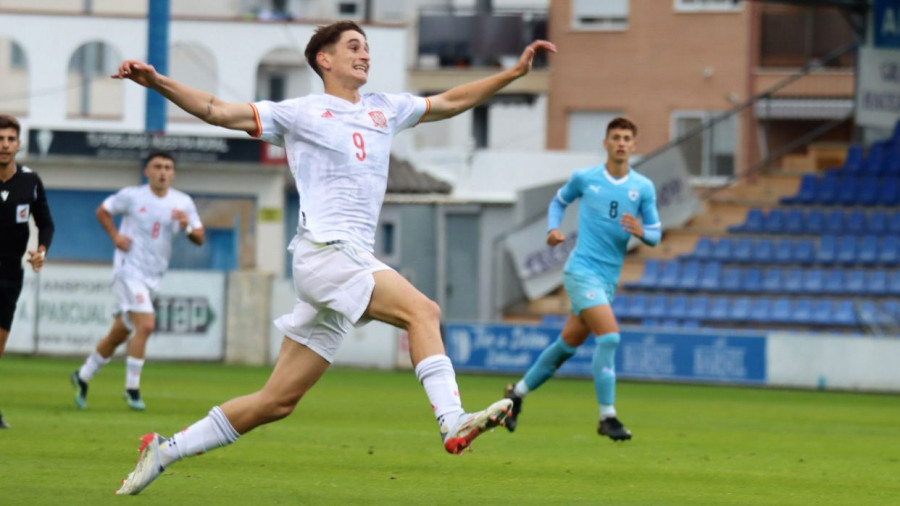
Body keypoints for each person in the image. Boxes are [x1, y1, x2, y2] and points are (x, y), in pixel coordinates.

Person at [109, 21, 555, 495]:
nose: (365, 55)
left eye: (367, 48)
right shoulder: (301, 113)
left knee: (276, 402)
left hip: (348, 262)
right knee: (423, 312)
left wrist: (512, 74)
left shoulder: (386, 108)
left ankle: (164, 449)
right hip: (324, 254)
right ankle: (452, 421)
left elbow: (450, 101)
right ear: (324, 59)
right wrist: (157, 82)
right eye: (354, 47)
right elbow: (218, 110)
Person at [503, 117, 661, 441]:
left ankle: (515, 395)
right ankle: (608, 416)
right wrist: (553, 229)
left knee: (566, 346)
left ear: (634, 145)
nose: (620, 142)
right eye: (615, 137)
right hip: (581, 271)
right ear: (605, 143)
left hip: (606, 280)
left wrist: (643, 232)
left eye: (626, 138)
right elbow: (559, 201)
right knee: (610, 338)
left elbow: (656, 234)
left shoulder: (642, 187)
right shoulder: (586, 178)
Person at [70, 151, 205, 411]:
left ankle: (83, 376)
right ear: (148, 171)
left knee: (120, 333)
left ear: (173, 173)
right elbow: (103, 211)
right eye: (157, 167)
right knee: (147, 325)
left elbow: (199, 238)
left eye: (167, 167)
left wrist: (187, 226)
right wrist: (115, 237)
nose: (162, 172)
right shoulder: (132, 196)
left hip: (154, 276)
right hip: (128, 270)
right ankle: (132, 389)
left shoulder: (183, 202)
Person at [0, 114, 55, 429]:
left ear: (18, 144)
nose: (5, 145)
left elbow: (46, 223)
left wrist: (42, 251)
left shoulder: (30, 181)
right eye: (0, 139)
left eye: (10, 139)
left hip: (11, 275)